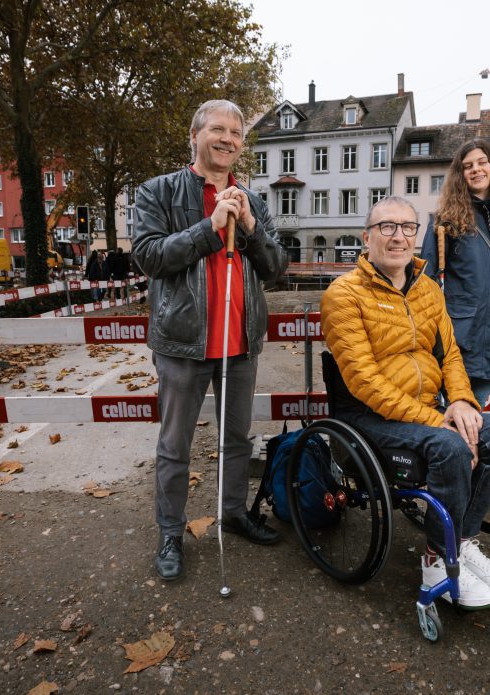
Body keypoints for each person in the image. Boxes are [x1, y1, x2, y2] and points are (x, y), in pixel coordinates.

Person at [321, 196, 490, 610]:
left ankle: (460, 544)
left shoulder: (429, 289)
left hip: (424, 408)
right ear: (367, 237)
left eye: (408, 227)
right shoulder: (344, 294)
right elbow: (364, 381)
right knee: (447, 445)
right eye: (386, 227)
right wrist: (437, 421)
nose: (398, 236)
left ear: (417, 235)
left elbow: (449, 355)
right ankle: (435, 559)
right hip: (367, 416)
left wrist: (463, 401)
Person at [133, 99, 286, 582]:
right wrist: (209, 227)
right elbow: (149, 257)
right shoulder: (158, 191)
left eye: (236, 133)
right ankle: (171, 532)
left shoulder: (254, 199)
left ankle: (234, 513)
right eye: (217, 129)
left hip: (239, 343)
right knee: (175, 444)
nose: (227, 139)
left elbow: (276, 269)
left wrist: (253, 229)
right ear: (195, 135)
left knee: (237, 439)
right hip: (182, 343)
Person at [421, 139, 490, 408]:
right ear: (460, 175)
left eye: (482, 162)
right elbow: (425, 281)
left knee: (475, 408)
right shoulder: (445, 220)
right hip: (458, 336)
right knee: (451, 412)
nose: (476, 169)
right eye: (468, 166)